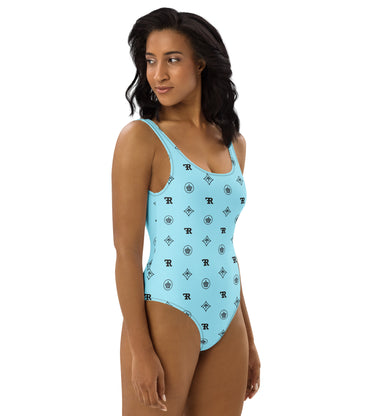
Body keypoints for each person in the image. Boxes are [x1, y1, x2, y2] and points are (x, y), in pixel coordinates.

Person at [111, 7, 260, 415]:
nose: (157, 74)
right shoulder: (142, 139)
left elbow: (224, 243)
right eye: (150, 61)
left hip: (229, 314)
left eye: (172, 60)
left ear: (201, 64)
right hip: (168, 308)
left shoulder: (234, 143)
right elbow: (126, 252)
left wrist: (249, 336)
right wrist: (141, 350)